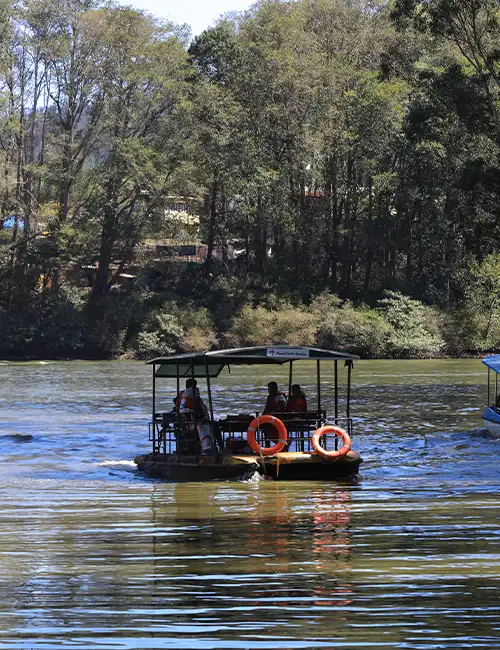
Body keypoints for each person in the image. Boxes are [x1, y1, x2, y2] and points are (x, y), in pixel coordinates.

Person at [178, 379, 215, 455]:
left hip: (200, 420)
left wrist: (207, 418)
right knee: (202, 427)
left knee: (213, 425)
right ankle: (206, 448)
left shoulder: (198, 399)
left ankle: (214, 446)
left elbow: (204, 409)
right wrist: (189, 411)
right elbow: (181, 410)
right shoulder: (184, 400)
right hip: (189, 424)